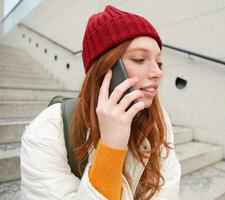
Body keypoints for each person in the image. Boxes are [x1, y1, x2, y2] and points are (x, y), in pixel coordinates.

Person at [20, 5, 181, 200]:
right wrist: (111, 148)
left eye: (159, 62)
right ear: (106, 68)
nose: (158, 72)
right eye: (139, 59)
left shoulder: (159, 119)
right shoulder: (46, 130)